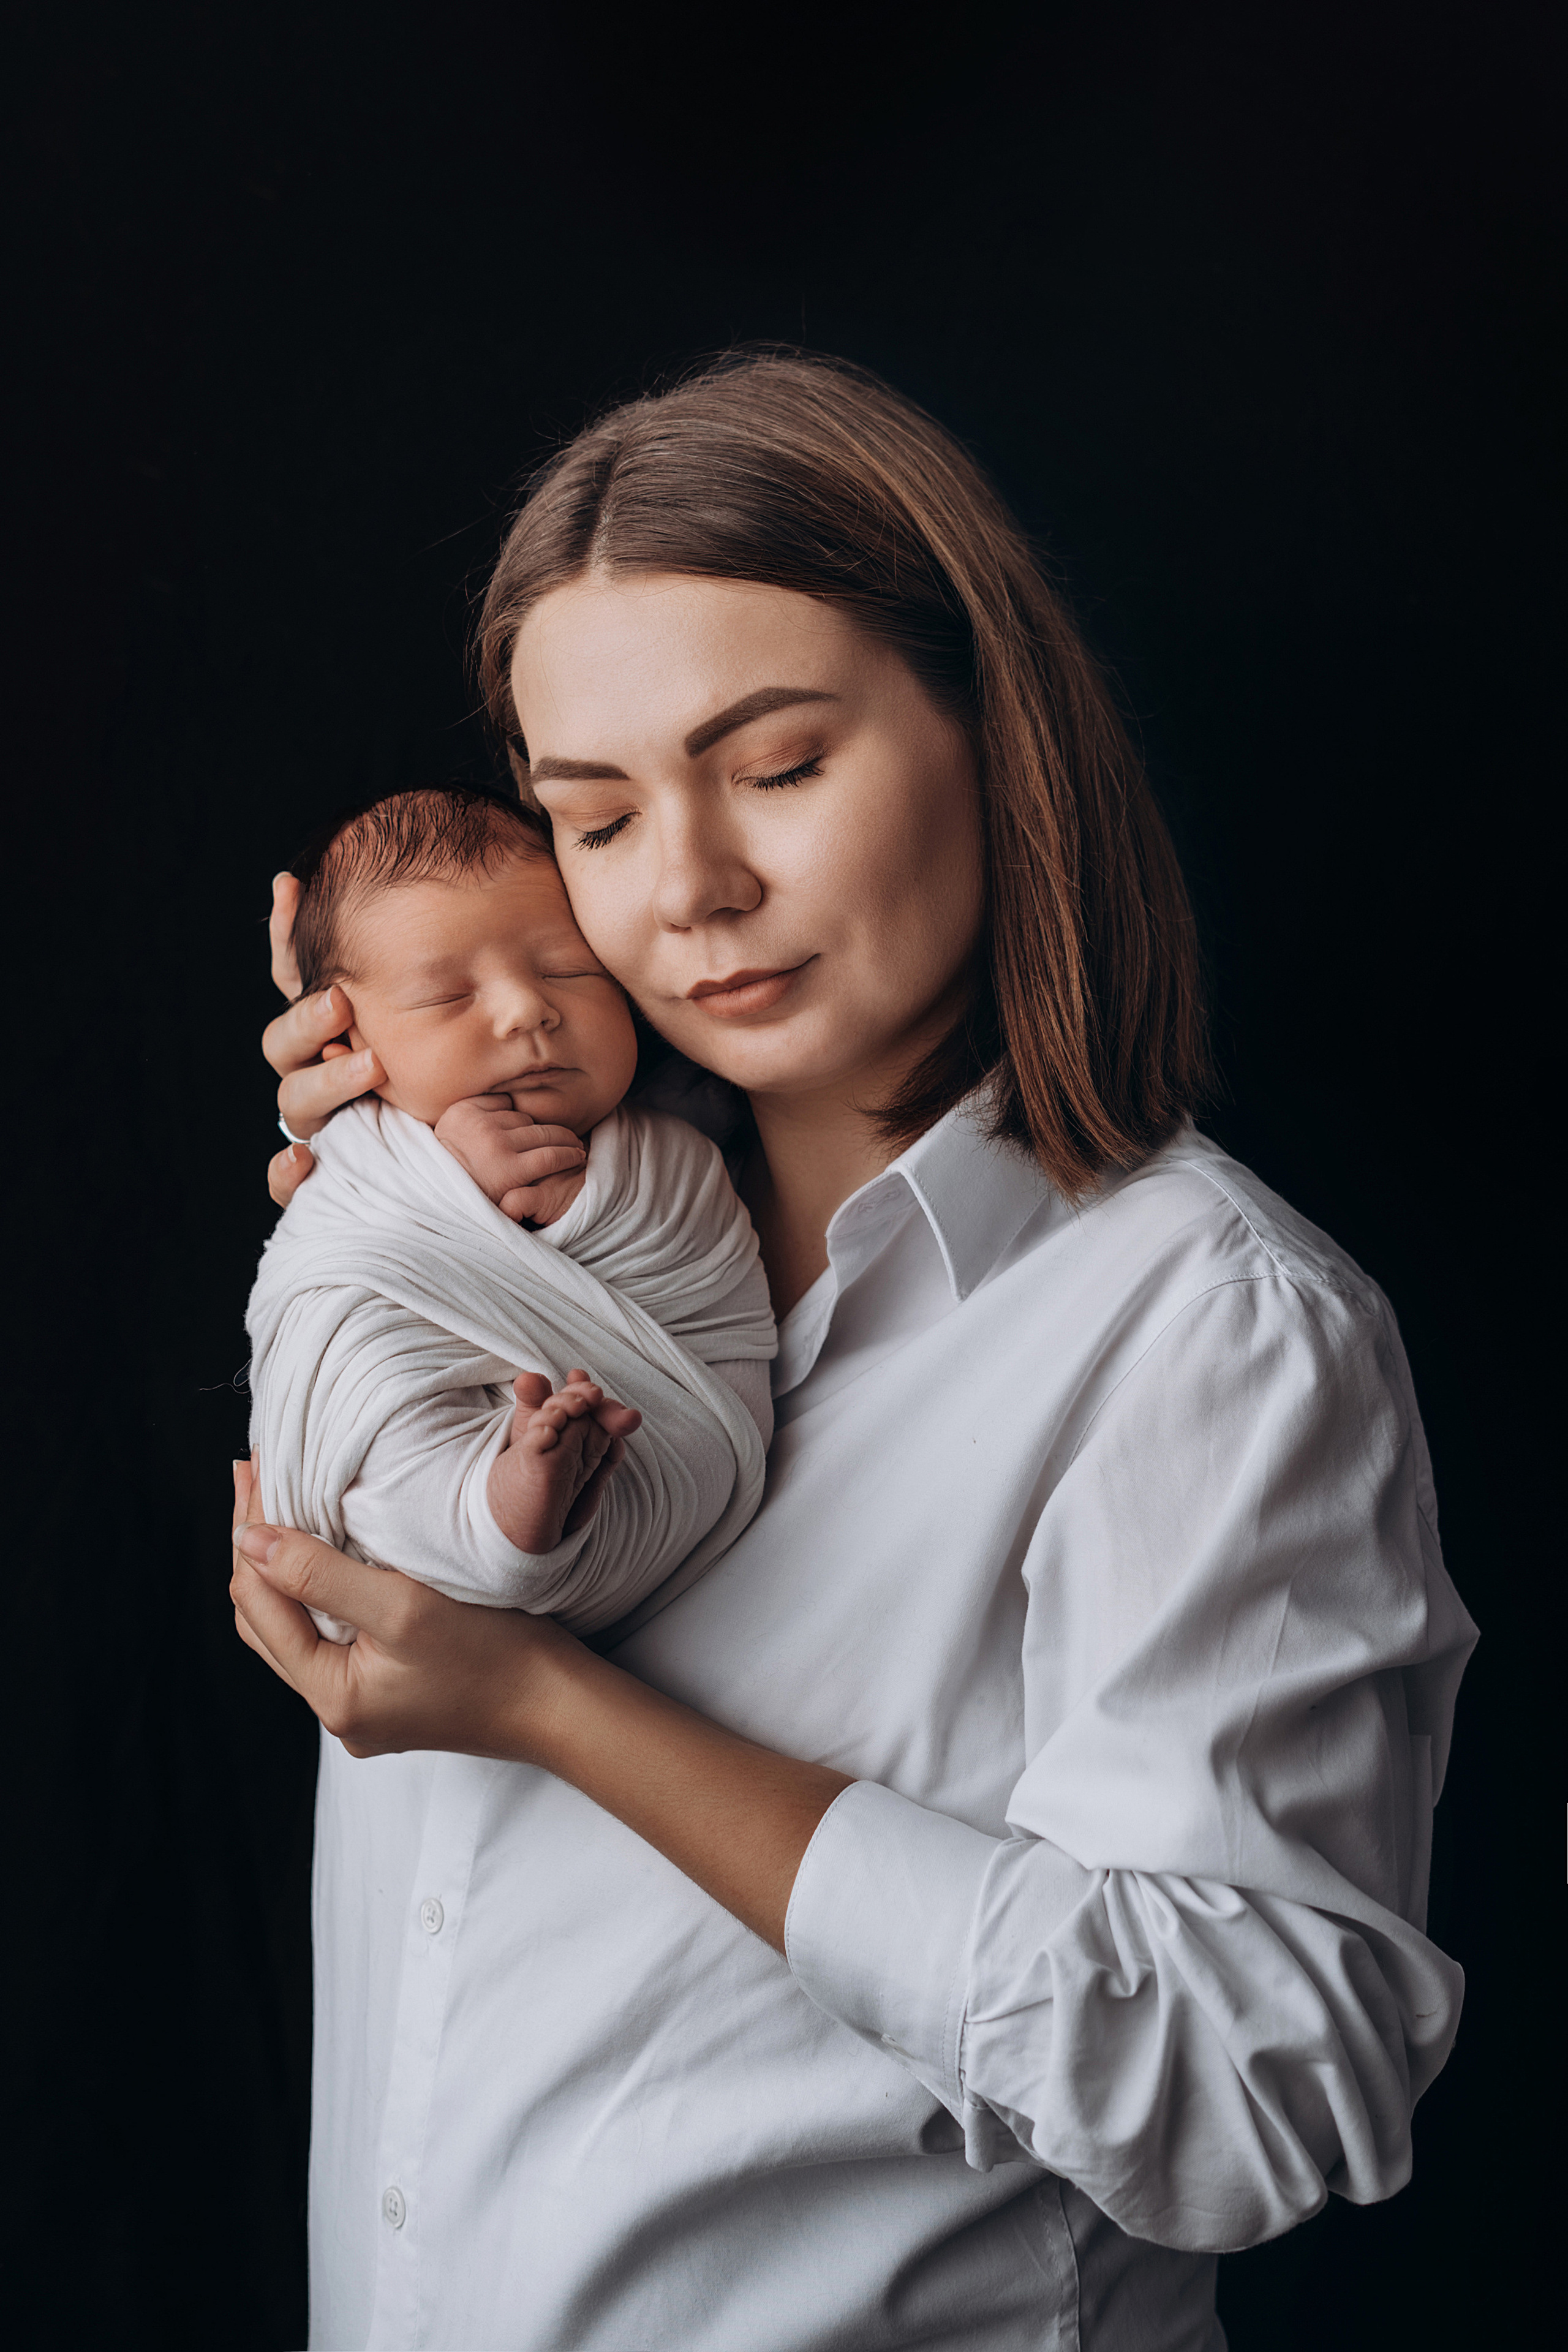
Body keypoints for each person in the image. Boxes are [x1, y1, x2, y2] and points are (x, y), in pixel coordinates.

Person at [231, 351, 1477, 2352]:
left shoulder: (1199, 1328)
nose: (690, 888)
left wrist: (553, 1708)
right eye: (596, 818)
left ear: (993, 733)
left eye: (780, 767)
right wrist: (400, 1175)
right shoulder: (488, 1214)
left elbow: (1265, 2097)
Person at [247, 780, 774, 1645]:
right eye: (447, 997)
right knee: (392, 1439)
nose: (529, 1008)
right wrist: (448, 1178)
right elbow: (343, 1260)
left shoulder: (671, 1138)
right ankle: (499, 1507)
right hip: (412, 1464)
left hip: (672, 1452)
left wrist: (580, 1203)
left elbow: (693, 1240)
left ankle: (535, 1487)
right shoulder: (356, 1152)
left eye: (569, 968)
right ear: (341, 1043)